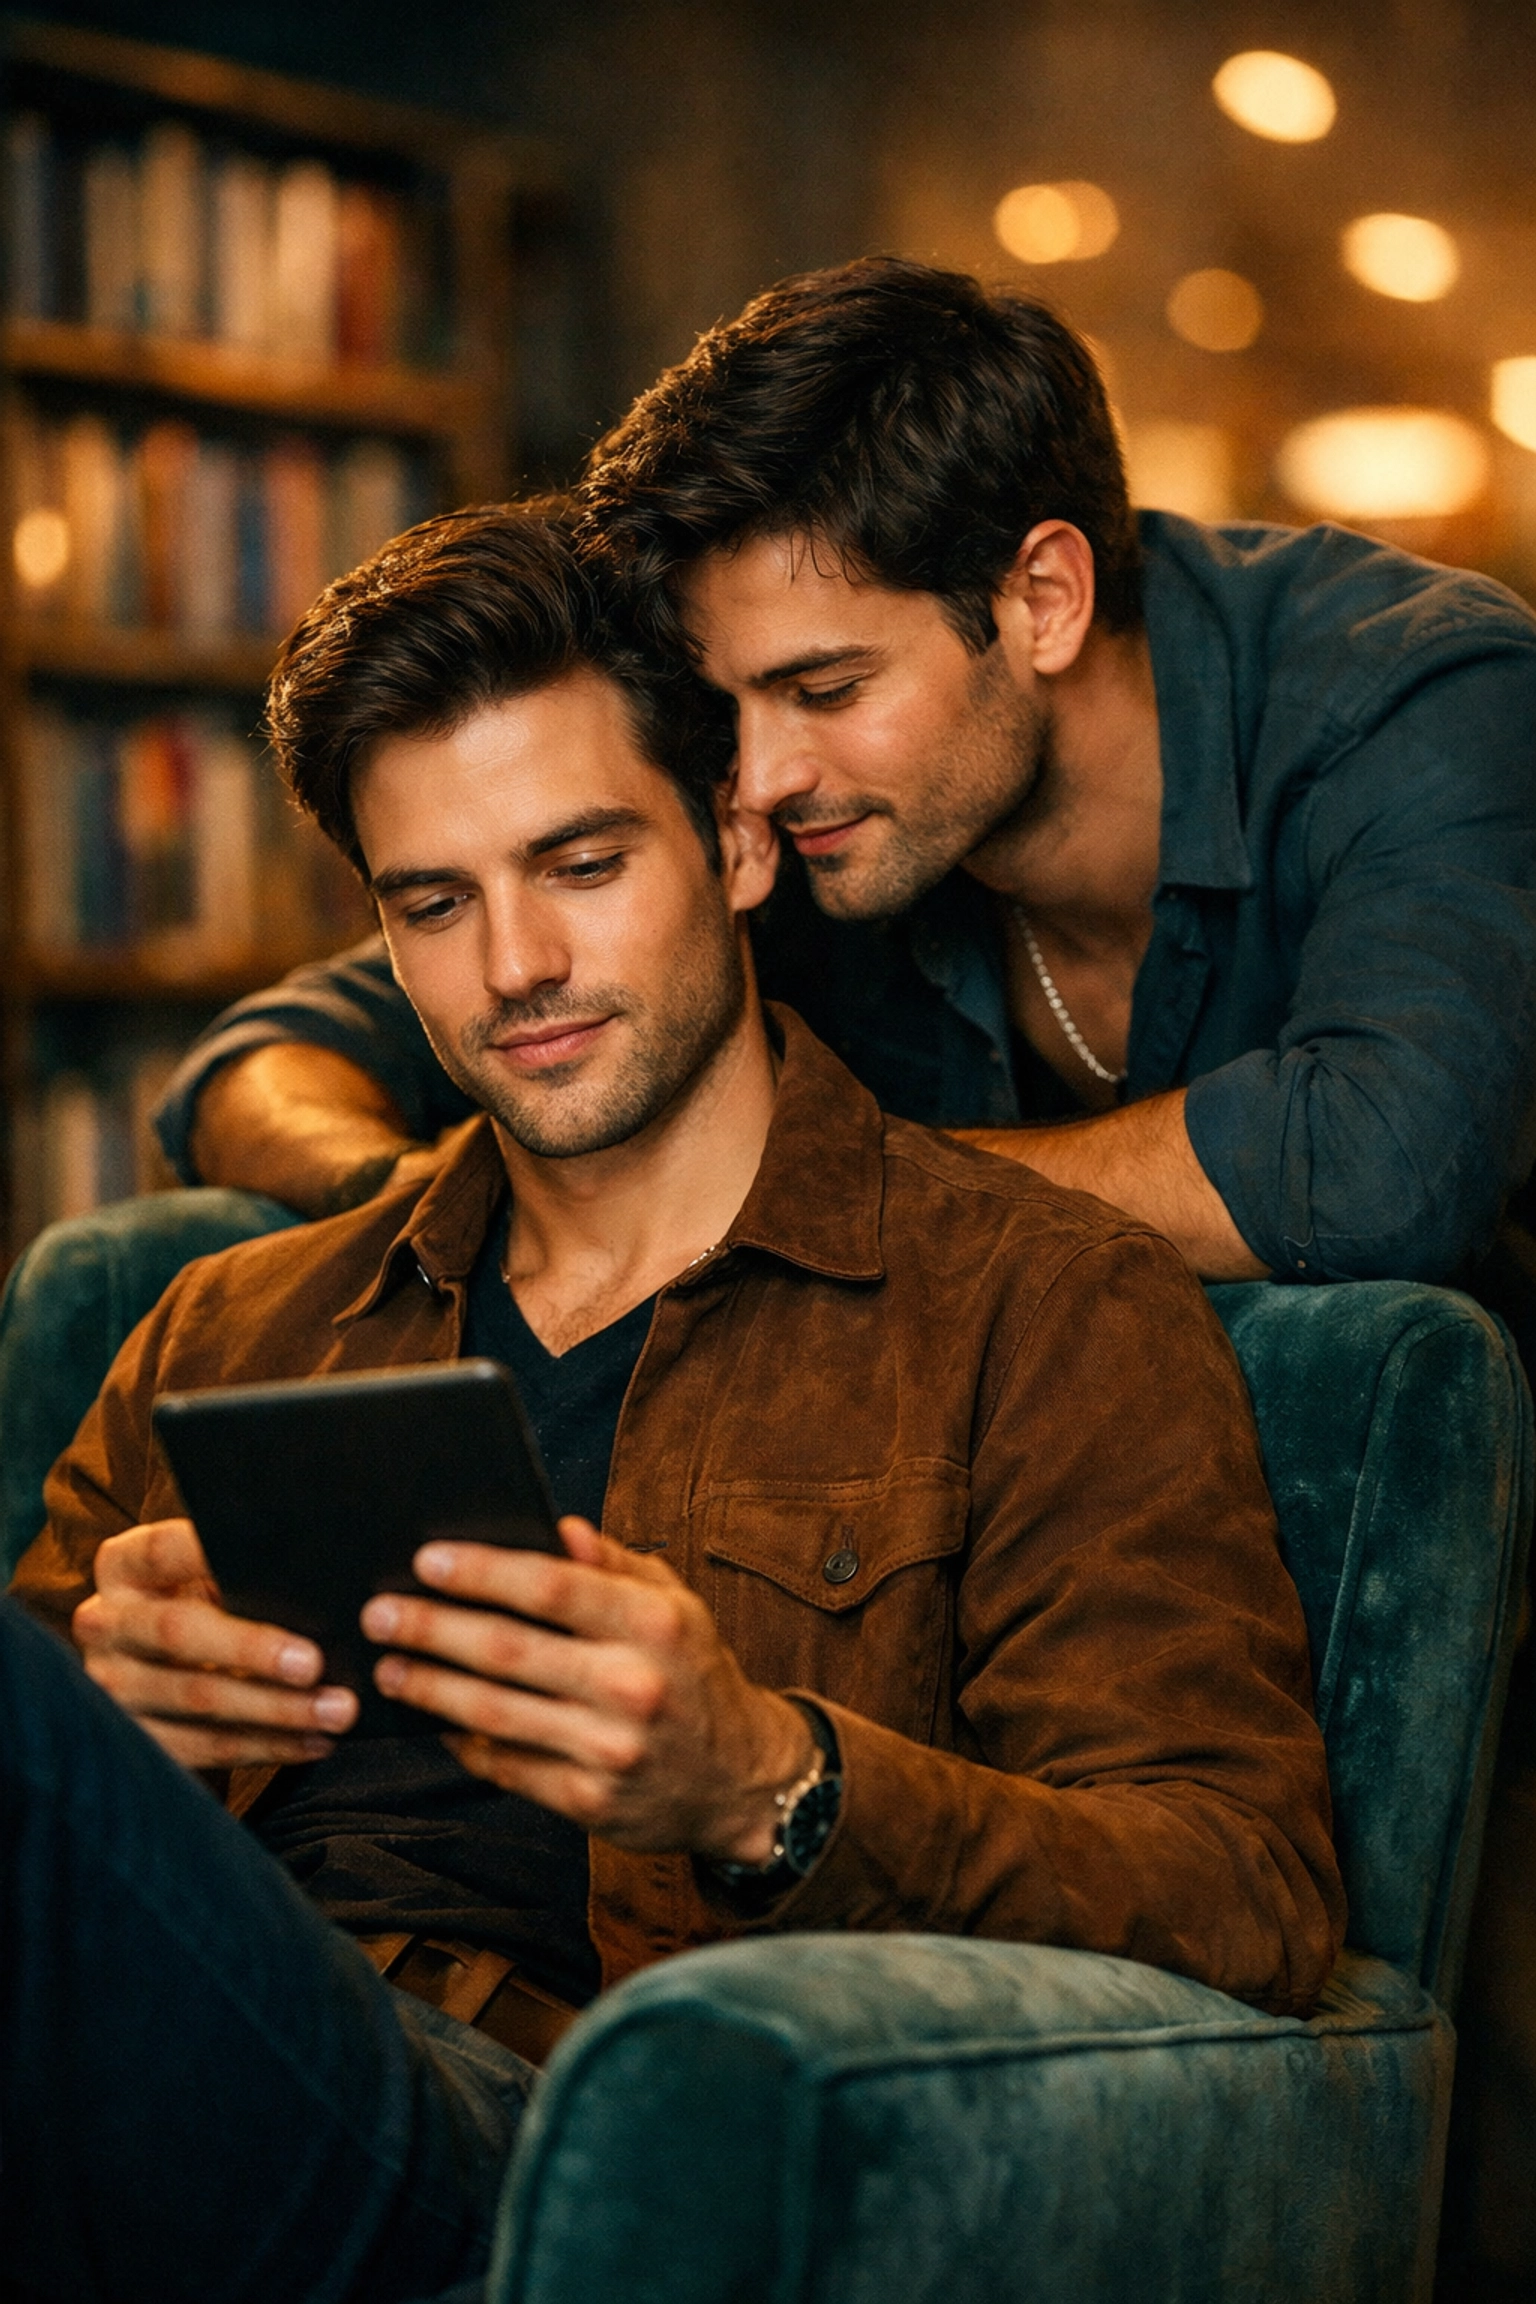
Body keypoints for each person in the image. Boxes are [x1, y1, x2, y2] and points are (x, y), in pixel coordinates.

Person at [3, 505, 1341, 2302]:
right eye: (434, 903)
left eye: (580, 863)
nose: (515, 971)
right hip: (168, 2069)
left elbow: (1240, 1884)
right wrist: (122, 1724)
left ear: (732, 841)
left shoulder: (1035, 1305)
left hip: (549, 2147)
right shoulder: (234, 1322)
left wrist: (768, 1781)